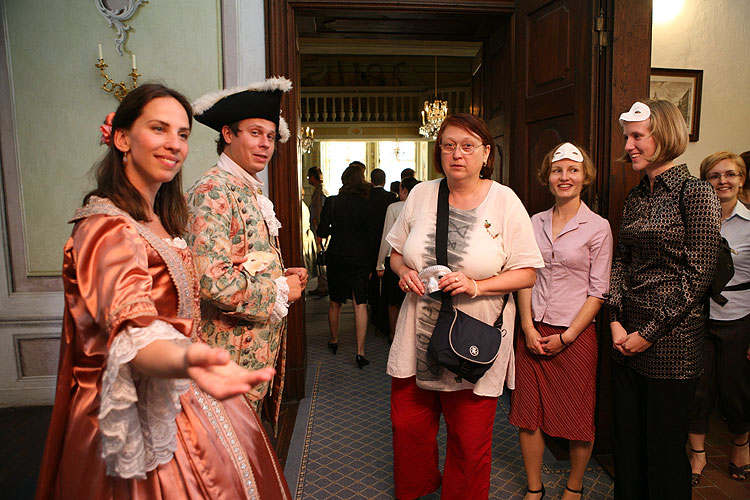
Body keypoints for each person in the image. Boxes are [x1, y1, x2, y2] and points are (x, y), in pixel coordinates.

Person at [35, 83, 291, 499]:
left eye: (182, 134)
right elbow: (133, 330)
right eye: (159, 129)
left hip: (182, 387)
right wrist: (193, 358)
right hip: (130, 406)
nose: (173, 144)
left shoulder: (160, 219)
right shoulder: (106, 227)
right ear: (121, 137)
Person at [386, 113, 544, 500]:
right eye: (449, 145)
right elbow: (394, 254)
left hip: (472, 337)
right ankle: (419, 489)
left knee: (469, 439)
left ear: (486, 153)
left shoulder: (505, 201)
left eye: (468, 145)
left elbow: (527, 273)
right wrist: (405, 272)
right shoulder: (421, 194)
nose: (457, 154)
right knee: (408, 426)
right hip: (416, 332)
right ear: (439, 151)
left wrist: (477, 284)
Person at [607, 100, 721, 500]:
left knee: (663, 453)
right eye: (627, 137)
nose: (629, 145)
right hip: (626, 340)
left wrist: (650, 333)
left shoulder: (697, 193)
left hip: (671, 346)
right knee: (629, 446)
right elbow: (621, 260)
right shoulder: (636, 195)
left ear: (665, 135)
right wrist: (616, 320)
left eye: (638, 136)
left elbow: (698, 276)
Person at [185, 77, 308, 429]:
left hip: (249, 358)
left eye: (270, 136)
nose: (265, 144)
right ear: (228, 133)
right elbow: (211, 280)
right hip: (227, 358)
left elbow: (243, 261)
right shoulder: (212, 190)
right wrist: (280, 291)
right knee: (226, 462)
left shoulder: (246, 189)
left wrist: (281, 275)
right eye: (255, 133)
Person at [509, 142, 613, 500]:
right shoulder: (532, 222)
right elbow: (524, 275)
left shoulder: (598, 227)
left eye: (573, 170)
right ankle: (535, 487)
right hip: (532, 328)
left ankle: (574, 485)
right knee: (527, 414)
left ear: (585, 178)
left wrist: (567, 337)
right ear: (547, 177)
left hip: (575, 334)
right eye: (557, 170)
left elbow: (598, 291)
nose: (564, 177)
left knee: (579, 417)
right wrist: (525, 327)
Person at [688, 151, 750, 484]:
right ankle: (697, 454)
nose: (722, 181)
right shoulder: (695, 220)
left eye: (730, 174)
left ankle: (741, 445)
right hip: (698, 318)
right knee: (698, 388)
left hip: (739, 318)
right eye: (714, 175)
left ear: (742, 179)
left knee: (735, 390)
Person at [317, 163, 374, 368]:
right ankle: (360, 352)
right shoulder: (366, 204)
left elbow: (322, 231)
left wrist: (334, 227)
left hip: (337, 256)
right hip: (360, 257)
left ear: (343, 180)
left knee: (335, 302)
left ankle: (334, 340)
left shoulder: (332, 202)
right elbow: (371, 236)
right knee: (360, 303)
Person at [376, 176, 421, 341]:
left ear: (404, 191)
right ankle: (410, 336)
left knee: (393, 301)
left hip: (394, 260)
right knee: (412, 300)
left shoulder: (394, 208)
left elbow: (388, 238)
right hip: (415, 260)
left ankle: (394, 334)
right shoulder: (422, 206)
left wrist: (379, 263)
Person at [368, 167, 398, 333]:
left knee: (372, 282)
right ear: (384, 181)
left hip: (371, 242)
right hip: (388, 241)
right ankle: (385, 319)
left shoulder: (367, 197)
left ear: (372, 181)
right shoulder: (391, 198)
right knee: (389, 289)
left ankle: (374, 312)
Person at [307, 166, 329, 296]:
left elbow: (320, 210)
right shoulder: (319, 190)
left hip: (319, 229)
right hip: (318, 228)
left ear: (313, 177)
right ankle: (322, 285)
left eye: (309, 177)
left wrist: (320, 230)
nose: (308, 180)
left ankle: (324, 285)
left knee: (322, 257)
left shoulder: (321, 191)